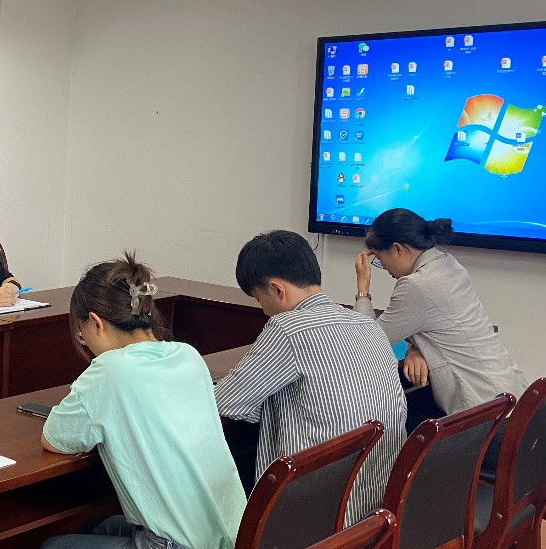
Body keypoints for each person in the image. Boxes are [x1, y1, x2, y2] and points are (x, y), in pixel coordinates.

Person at [35, 254, 247, 549]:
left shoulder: (109, 370)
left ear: (95, 323)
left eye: (82, 333)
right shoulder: (189, 356)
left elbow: (54, 438)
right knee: (94, 529)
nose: (84, 342)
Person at [215, 230, 406, 523]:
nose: (264, 310)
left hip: (316, 522)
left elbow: (226, 403)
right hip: (377, 512)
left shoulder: (287, 328)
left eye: (259, 299)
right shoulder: (367, 325)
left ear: (277, 289)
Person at [353, 208, 527, 451]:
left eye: (379, 260)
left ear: (398, 249)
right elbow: (436, 324)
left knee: (387, 426)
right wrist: (416, 349)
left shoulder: (416, 285)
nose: (382, 267)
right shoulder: (448, 264)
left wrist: (363, 288)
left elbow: (365, 343)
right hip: (517, 406)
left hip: (485, 424)